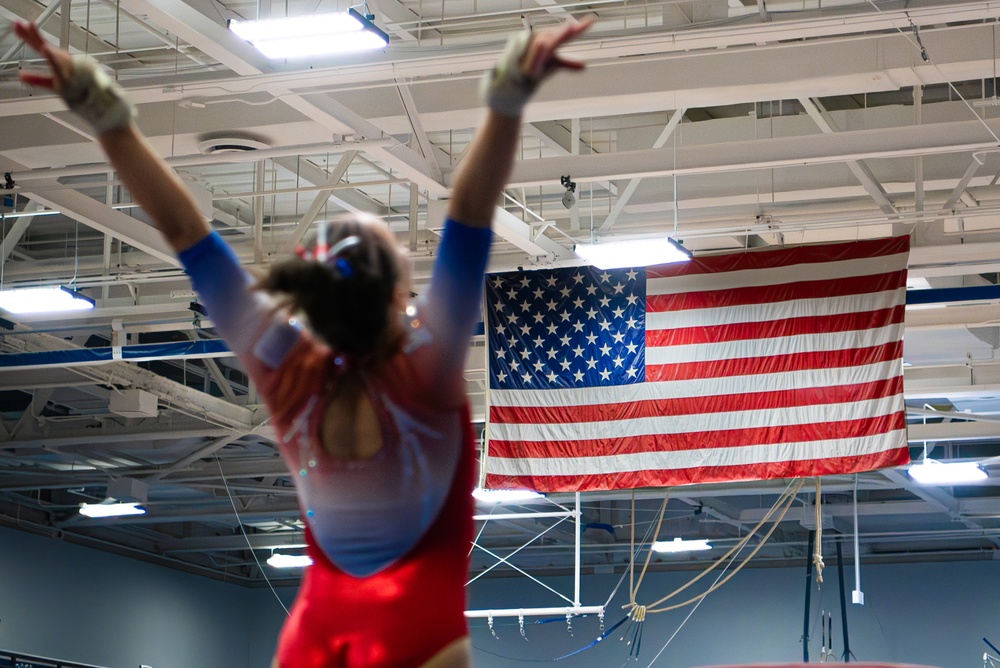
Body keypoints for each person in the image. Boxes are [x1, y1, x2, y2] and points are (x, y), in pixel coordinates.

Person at [16, 17, 591, 668]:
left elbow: (187, 234)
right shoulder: (425, 372)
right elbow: (469, 217)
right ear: (400, 290)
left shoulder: (288, 372)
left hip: (314, 632)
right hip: (418, 626)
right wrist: (505, 104)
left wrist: (107, 120)